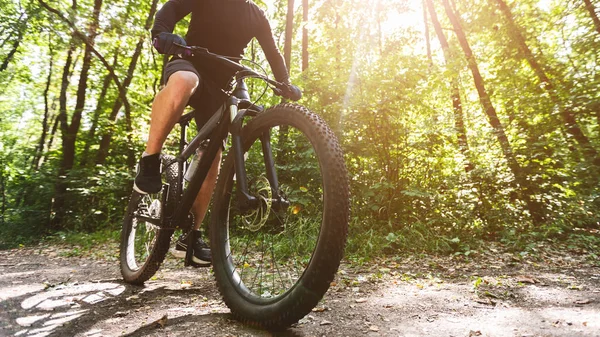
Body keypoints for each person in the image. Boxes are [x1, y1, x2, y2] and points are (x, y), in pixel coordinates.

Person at [133, 0, 301, 267]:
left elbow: (272, 51)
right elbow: (171, 10)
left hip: (227, 80)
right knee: (186, 81)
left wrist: (284, 82)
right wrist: (161, 34)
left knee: (214, 154)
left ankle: (191, 237)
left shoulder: (256, 14)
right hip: (190, 63)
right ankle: (150, 160)